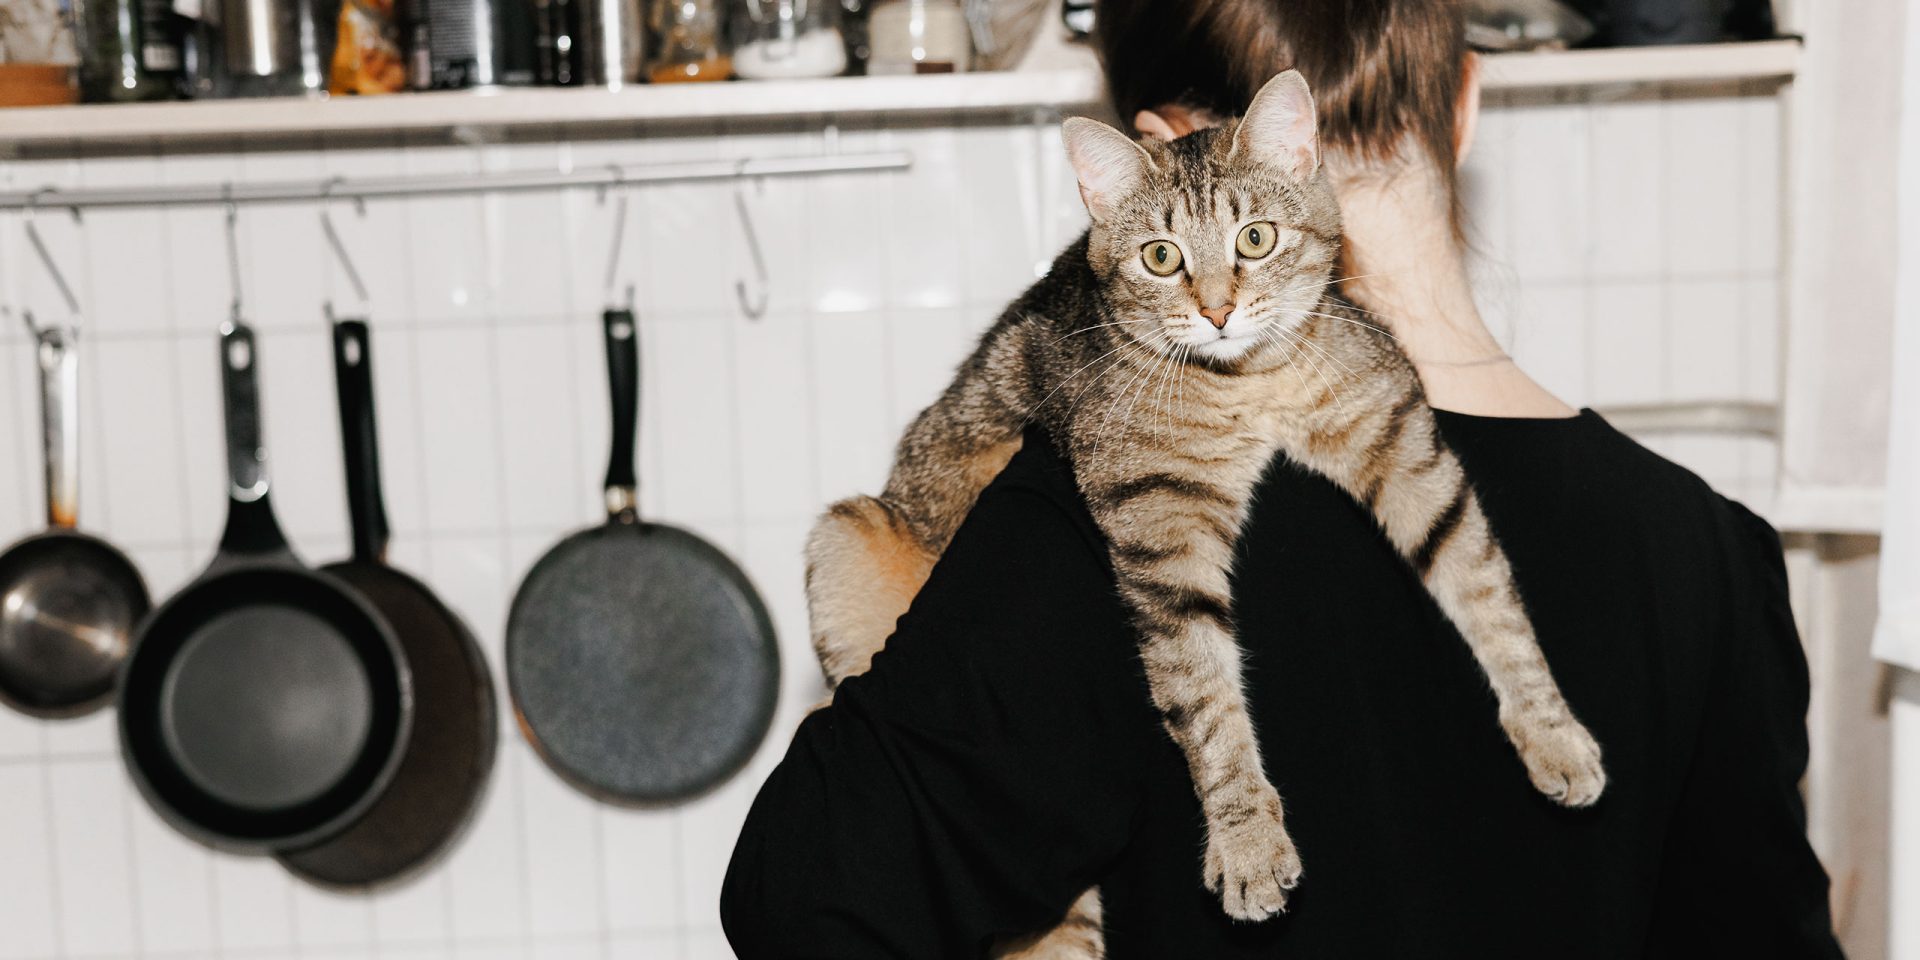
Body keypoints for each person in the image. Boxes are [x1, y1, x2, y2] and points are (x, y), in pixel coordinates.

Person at [719, 0, 1847, 956]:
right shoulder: (1712, 554)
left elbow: (798, 900)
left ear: (1158, 147)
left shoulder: (1105, 515)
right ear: (1465, 105)